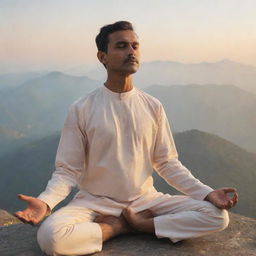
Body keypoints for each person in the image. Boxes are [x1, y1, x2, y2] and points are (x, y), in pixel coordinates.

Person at [15, 21, 238, 256]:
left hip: (146, 201)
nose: (131, 51)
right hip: (94, 203)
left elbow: (167, 163)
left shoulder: (152, 106)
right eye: (121, 46)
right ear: (103, 56)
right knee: (51, 239)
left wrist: (206, 193)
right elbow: (68, 170)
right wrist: (46, 202)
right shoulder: (82, 108)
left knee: (216, 216)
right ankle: (117, 227)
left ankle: (143, 224)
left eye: (135, 46)